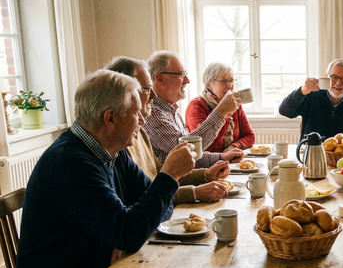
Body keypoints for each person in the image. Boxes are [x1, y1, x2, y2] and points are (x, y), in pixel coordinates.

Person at [12, 70, 218, 268]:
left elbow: (153, 205)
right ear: (110, 118)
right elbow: (131, 230)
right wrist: (169, 176)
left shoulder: (111, 151)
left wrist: (128, 228)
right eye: (137, 113)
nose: (144, 120)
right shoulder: (71, 163)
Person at [105, 56, 231, 204]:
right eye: (146, 89)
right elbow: (146, 195)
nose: (153, 94)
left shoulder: (141, 131)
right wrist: (194, 192)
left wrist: (204, 175)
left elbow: (159, 176)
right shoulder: (122, 140)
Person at [143, 50, 244, 168]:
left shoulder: (171, 110)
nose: (187, 80)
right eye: (181, 75)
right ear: (160, 79)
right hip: (177, 184)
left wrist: (220, 157)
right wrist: (221, 112)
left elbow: (192, 156)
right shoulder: (152, 113)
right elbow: (188, 150)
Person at [278, 58, 343, 141]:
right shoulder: (310, 95)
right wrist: (301, 91)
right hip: (311, 152)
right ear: (326, 77)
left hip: (342, 155)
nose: (338, 83)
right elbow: (284, 111)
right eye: (334, 77)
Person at [186, 62, 255, 152]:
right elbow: (204, 145)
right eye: (223, 81)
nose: (230, 86)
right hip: (207, 163)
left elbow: (250, 136)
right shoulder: (196, 105)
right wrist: (225, 114)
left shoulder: (235, 103)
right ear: (208, 84)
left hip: (232, 160)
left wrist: (234, 146)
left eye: (231, 81)